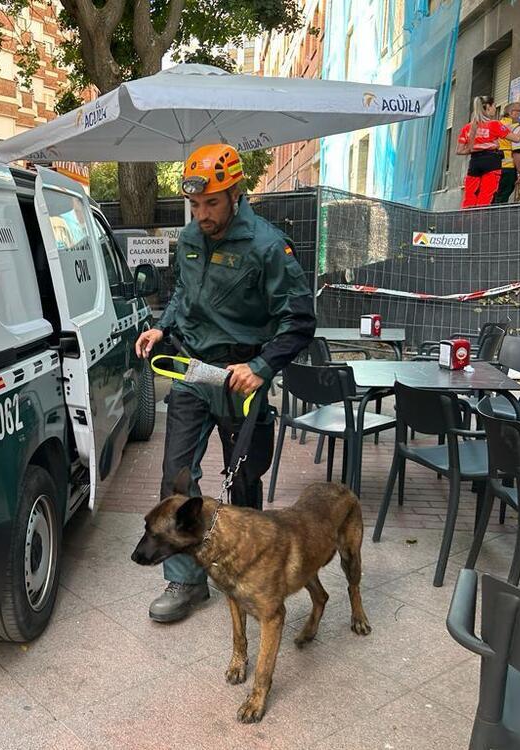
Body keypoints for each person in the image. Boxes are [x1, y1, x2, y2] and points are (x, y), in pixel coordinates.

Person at [134, 144, 316, 623]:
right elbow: (183, 296)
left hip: (242, 379)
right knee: (176, 475)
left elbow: (299, 320)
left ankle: (252, 572)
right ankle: (186, 581)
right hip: (194, 373)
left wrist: (261, 365)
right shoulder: (191, 236)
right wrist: (163, 327)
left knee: (246, 481)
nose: (202, 214)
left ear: (235, 193)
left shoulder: (268, 246)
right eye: (195, 205)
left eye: (211, 202)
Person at [457, 96, 520, 208]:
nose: (494, 109)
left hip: (475, 161)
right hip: (491, 161)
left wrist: (475, 148)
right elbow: (516, 138)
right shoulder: (494, 124)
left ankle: (466, 221)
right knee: (486, 196)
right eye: (494, 106)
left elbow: (459, 150)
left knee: (470, 195)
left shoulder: (468, 127)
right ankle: (481, 222)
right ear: (488, 107)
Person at [493, 101, 520, 204]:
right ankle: (496, 219)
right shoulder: (516, 127)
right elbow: (517, 151)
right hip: (508, 168)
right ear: (512, 113)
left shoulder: (497, 124)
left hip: (493, 167)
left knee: (493, 197)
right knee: (502, 199)